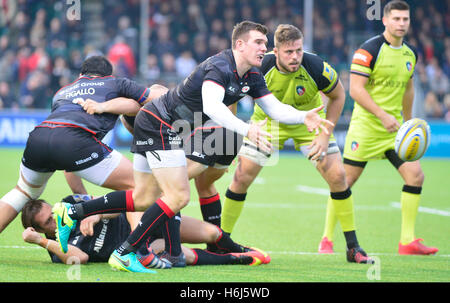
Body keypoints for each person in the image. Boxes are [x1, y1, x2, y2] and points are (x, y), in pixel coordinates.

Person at [53, 21, 334, 273]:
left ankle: (74, 212)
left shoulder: (252, 76)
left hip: (159, 125)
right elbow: (213, 107)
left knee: (142, 198)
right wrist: (248, 128)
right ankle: (125, 252)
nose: (265, 48)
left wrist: (303, 116)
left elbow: (274, 108)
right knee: (177, 196)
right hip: (159, 124)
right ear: (240, 44)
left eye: (265, 42)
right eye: (259, 42)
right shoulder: (219, 67)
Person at [220, 24, 373, 264]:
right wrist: (231, 139)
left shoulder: (316, 67)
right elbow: (231, 98)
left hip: (308, 123)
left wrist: (325, 134)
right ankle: (222, 241)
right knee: (241, 178)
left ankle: (353, 247)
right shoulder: (260, 65)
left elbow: (339, 95)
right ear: (276, 51)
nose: (295, 57)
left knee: (338, 176)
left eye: (298, 51)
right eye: (289, 52)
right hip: (268, 123)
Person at [0, 56, 164, 234]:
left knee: (23, 192)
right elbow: (152, 98)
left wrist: (84, 200)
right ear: (109, 75)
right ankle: (134, 251)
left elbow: (67, 163)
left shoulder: (62, 92)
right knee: (139, 188)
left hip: (39, 137)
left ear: (80, 75)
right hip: (75, 139)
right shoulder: (115, 83)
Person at [336, 0, 437, 255]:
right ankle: (326, 238)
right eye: (397, 19)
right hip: (367, 128)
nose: (401, 23)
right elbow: (355, 90)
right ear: (385, 20)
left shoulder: (410, 53)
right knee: (344, 181)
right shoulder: (368, 50)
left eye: (405, 19)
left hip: (394, 131)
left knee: (415, 176)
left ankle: (407, 241)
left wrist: (408, 122)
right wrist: (382, 115)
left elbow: (409, 89)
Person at [21, 196, 267, 268]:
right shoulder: (57, 248)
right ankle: (237, 259)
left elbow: (113, 206)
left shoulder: (70, 205)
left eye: (52, 213)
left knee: (213, 233)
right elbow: (81, 258)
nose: (55, 219)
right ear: (45, 231)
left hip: (145, 220)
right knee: (182, 256)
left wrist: (95, 214)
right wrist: (40, 241)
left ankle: (239, 248)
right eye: (48, 222)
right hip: (146, 249)